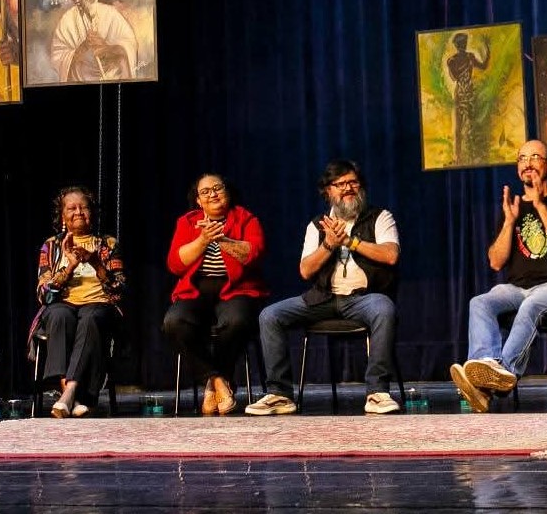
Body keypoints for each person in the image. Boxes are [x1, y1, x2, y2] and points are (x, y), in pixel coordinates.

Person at [248, 160, 403, 416]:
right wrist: (330, 244)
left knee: (384, 308)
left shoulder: (379, 217)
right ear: (328, 191)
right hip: (323, 298)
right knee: (270, 315)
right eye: (340, 184)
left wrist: (351, 241)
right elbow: (306, 270)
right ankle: (279, 394)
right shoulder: (317, 225)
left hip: (363, 298)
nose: (347, 188)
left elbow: (390, 255)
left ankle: (377, 392)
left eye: (353, 182)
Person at [448, 139, 547, 413]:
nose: (528, 162)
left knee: (530, 306)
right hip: (517, 287)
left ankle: (503, 371)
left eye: (536, 157)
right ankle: (484, 369)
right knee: (480, 302)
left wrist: (540, 205)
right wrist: (510, 222)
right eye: (523, 158)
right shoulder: (512, 207)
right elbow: (495, 261)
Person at [162, 173, 267, 415]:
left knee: (237, 321)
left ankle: (213, 386)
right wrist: (203, 239)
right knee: (173, 322)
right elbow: (176, 265)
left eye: (217, 188)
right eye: (205, 191)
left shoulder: (245, 218)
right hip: (196, 289)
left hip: (237, 288)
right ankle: (218, 381)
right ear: (198, 201)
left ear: (227, 193)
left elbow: (253, 254)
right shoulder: (187, 222)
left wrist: (222, 239)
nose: (213, 194)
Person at [31, 186, 125, 418]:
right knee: (58, 315)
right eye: (71, 208)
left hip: (99, 303)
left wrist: (95, 262)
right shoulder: (51, 246)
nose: (78, 212)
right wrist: (70, 266)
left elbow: (119, 290)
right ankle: (78, 396)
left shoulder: (108, 244)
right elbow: (44, 293)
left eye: (83, 207)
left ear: (92, 212)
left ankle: (70, 393)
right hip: (64, 303)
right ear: (62, 216)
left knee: (91, 317)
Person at [49, 0, 139, 82]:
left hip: (113, 80)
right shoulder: (67, 21)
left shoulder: (110, 13)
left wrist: (108, 49)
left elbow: (130, 44)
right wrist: (83, 47)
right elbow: (58, 57)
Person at [446, 31, 491, 165]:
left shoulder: (452, 60)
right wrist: (488, 50)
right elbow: (483, 66)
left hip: (460, 92)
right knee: (470, 123)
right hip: (468, 92)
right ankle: (467, 156)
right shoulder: (470, 57)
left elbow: (454, 78)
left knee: (460, 126)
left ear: (456, 45)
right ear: (463, 44)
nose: (463, 45)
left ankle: (459, 158)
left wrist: (452, 67)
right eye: (463, 43)